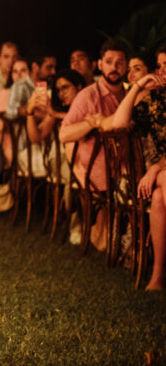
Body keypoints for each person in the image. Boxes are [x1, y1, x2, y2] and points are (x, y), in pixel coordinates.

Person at [59, 39, 129, 251]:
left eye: (119, 62)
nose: (114, 67)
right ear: (100, 65)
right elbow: (64, 134)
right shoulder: (88, 96)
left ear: (126, 66)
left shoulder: (128, 95)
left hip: (126, 167)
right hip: (99, 171)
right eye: (109, 62)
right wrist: (90, 125)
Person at [107, 71, 166, 289]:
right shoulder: (150, 102)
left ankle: (158, 275)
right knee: (159, 195)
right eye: (159, 67)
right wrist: (139, 86)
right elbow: (118, 123)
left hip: (158, 173)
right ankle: (158, 275)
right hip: (153, 175)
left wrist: (154, 170)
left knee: (161, 191)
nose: (163, 73)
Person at [5, 48, 56, 119]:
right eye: (49, 67)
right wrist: (30, 109)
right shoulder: (21, 85)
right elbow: (10, 111)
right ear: (35, 67)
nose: (53, 72)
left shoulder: (52, 86)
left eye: (54, 67)